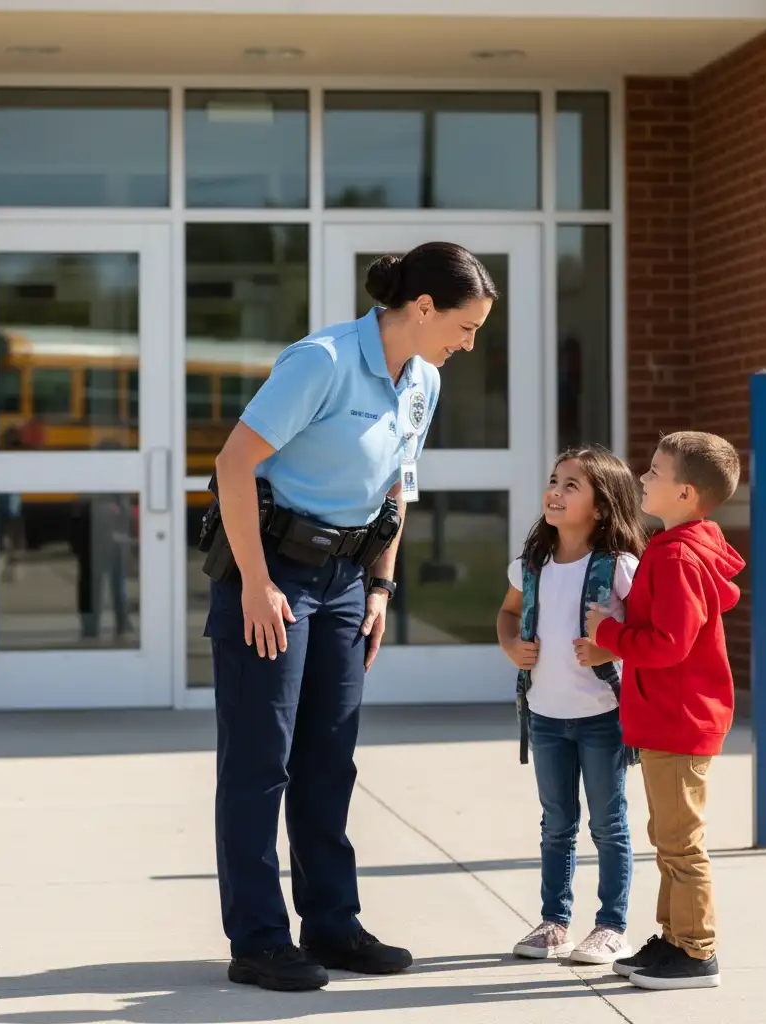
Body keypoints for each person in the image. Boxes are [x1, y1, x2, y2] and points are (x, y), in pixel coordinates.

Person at [205, 242, 497, 992]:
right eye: (465, 328)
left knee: (330, 759)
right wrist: (255, 583)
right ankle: (259, 940)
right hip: (274, 574)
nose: (469, 345)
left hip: (345, 584)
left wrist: (380, 587)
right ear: (423, 307)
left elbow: (397, 487)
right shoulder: (324, 361)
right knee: (260, 762)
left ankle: (332, 925)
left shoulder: (423, 379)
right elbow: (233, 464)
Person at [586, 430, 745, 992]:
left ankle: (697, 952)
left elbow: (670, 644)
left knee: (680, 843)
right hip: (669, 719)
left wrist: (607, 633)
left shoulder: (677, 556)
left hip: (679, 721)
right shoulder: (677, 545)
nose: (643, 477)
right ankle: (673, 939)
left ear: (685, 494)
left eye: (655, 471)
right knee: (668, 837)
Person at [497, 446, 647, 965]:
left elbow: (644, 631)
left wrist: (610, 647)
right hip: (545, 717)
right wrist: (511, 646)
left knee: (608, 824)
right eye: (554, 481)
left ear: (601, 507)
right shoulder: (530, 565)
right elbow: (508, 614)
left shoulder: (620, 567)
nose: (554, 492)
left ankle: (611, 927)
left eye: (571, 485)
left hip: (603, 717)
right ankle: (554, 922)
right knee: (556, 823)